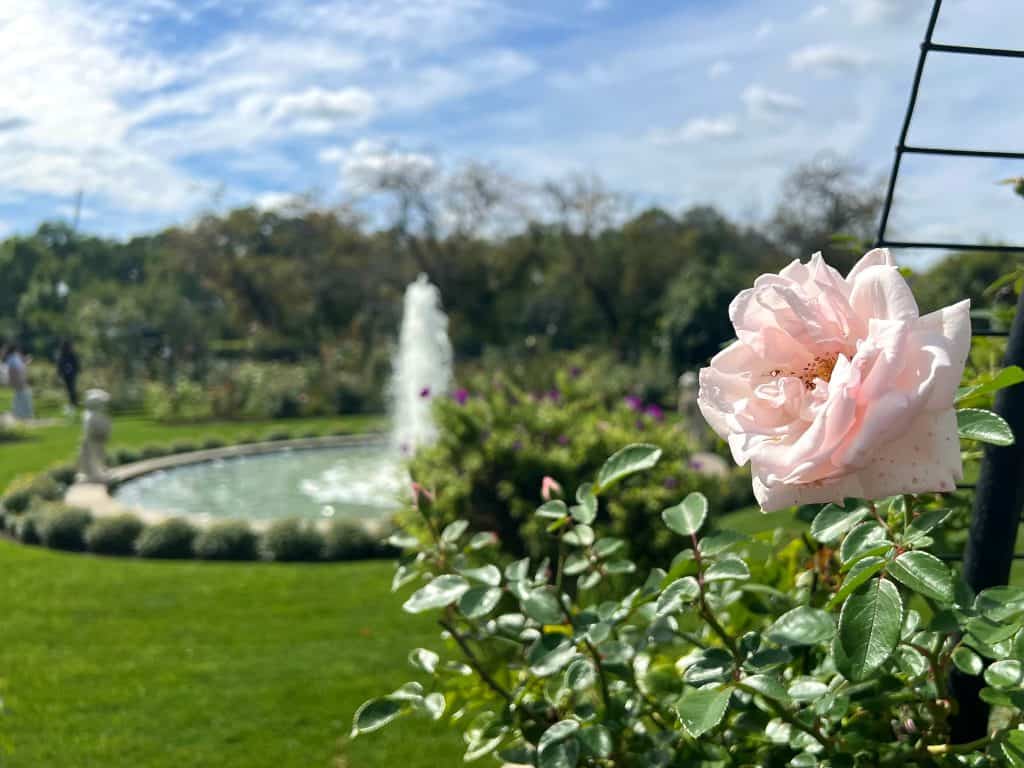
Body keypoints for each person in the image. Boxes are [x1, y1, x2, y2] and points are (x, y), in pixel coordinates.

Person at [5, 344, 34, 421]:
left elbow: (19, 369)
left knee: (19, 398)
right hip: (20, 382)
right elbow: (16, 371)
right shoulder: (14, 359)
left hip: (18, 382)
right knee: (24, 397)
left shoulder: (12, 358)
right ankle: (24, 416)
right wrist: (20, 382)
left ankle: (19, 415)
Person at [57, 340, 80, 408]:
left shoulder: (72, 355)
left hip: (71, 375)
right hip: (66, 375)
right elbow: (60, 365)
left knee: (71, 389)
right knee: (70, 389)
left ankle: (74, 403)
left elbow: (76, 365)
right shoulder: (63, 355)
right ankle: (73, 403)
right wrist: (60, 373)